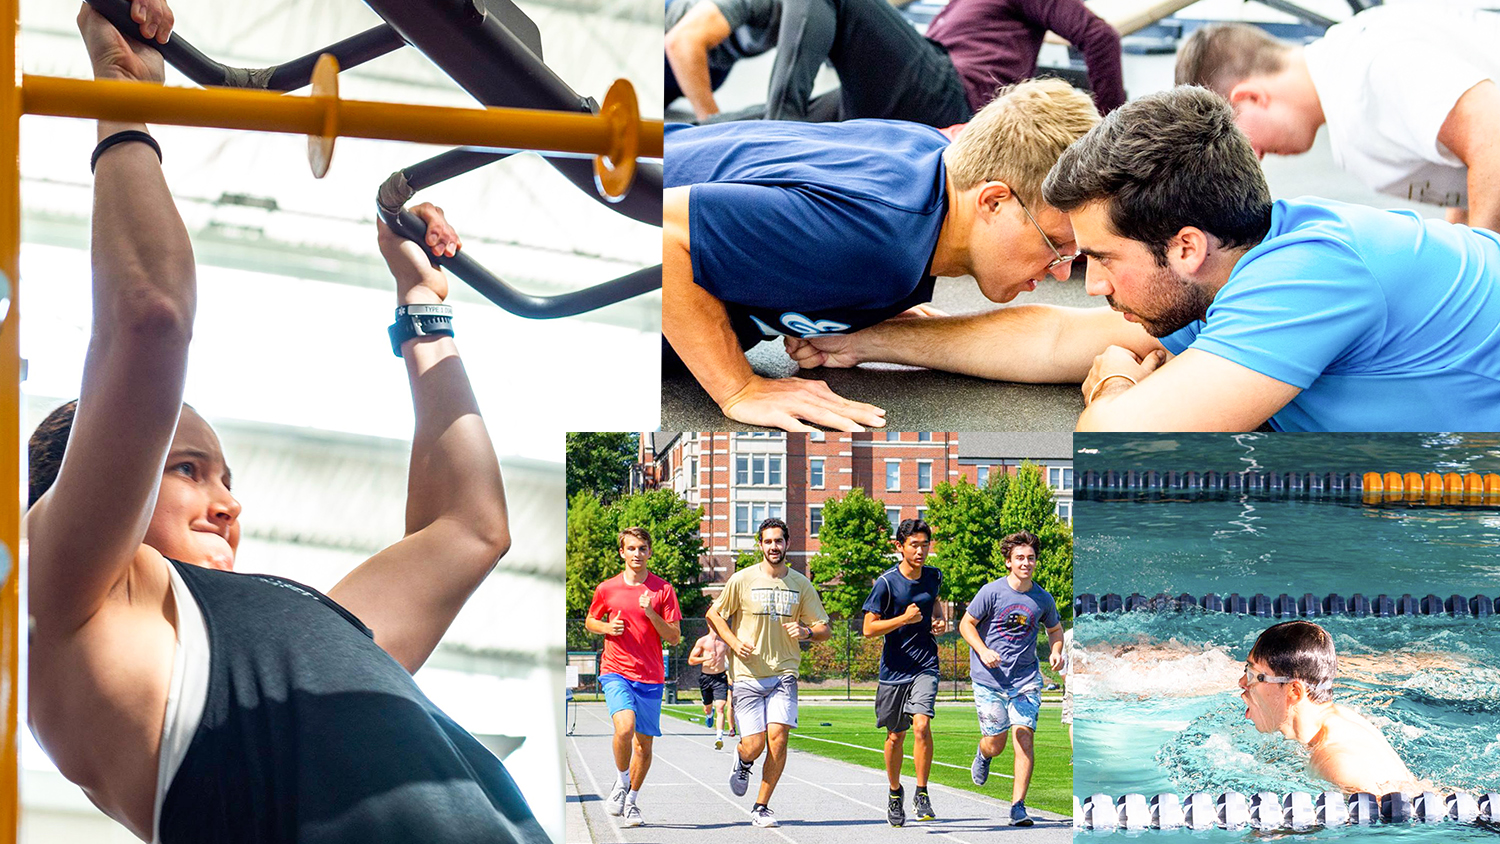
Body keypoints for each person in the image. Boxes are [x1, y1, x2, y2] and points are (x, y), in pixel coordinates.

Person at [26, 6, 546, 843]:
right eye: (187, 468)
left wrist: (419, 309)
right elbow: (149, 320)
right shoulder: (79, 609)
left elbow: (471, 528)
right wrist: (122, 95)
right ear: (85, 485)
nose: (228, 500)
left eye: (224, 475)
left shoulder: (305, 629)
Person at [786, 85, 1500, 432]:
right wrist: (874, 340)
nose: (1089, 285)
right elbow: (1053, 337)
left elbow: (1120, 440)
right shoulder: (1226, 266)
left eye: (1102, 257)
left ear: (1185, 246)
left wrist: (1120, 382)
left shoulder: (1308, 277)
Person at [663, 78, 1100, 432]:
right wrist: (738, 388)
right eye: (1055, 243)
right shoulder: (882, 240)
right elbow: (666, 234)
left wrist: (855, 306)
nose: (1064, 273)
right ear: (993, 201)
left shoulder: (931, 159)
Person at [1174, 4, 1500, 230]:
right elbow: (1471, 157)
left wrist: (1479, 272)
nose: (1255, 158)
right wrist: (1458, 253)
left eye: (1241, 142)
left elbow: (1492, 134)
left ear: (1249, 97)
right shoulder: (1349, 62)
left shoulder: (1368, 71)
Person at [664, 0, 1122, 125]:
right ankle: (679, 147)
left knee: (778, 122)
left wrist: (1106, 134)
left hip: (954, 97)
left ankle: (780, 132)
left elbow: (1099, 37)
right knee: (745, 123)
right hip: (914, 100)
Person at [706, 518, 832, 828]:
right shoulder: (742, 579)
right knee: (755, 744)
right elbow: (713, 614)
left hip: (784, 674)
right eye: (768, 541)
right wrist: (733, 642)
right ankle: (743, 757)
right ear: (760, 545)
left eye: (779, 541)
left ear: (787, 544)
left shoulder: (801, 584)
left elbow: (824, 629)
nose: (773, 546)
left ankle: (761, 806)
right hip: (748, 675)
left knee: (778, 739)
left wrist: (806, 632)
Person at [1240, 621, 1422, 795]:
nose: (1242, 683)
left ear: (1294, 691)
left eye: (1253, 675)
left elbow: (1385, 818)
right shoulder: (1341, 716)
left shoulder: (1336, 764)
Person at [958, 530, 1063, 826]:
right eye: (1019, 558)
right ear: (1008, 561)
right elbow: (967, 624)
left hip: (1026, 680)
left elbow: (1054, 630)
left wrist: (1055, 651)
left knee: (1024, 736)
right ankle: (983, 753)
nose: (1026, 563)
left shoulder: (1042, 598)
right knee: (997, 743)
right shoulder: (991, 592)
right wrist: (982, 650)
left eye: (1030, 558)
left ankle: (1018, 806)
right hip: (989, 680)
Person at [584, 527, 684, 827]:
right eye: (631, 548)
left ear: (649, 552)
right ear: (622, 553)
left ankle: (632, 801)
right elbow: (591, 620)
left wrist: (653, 614)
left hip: (651, 676)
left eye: (642, 548)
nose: (637, 553)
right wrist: (606, 629)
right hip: (616, 671)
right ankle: (620, 781)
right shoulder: (607, 588)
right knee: (624, 727)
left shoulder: (663, 590)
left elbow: (675, 637)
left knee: (644, 746)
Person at [860, 519, 947, 827]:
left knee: (922, 725)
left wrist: (939, 619)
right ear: (900, 547)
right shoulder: (885, 583)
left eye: (925, 545)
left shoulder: (934, 576)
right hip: (894, 669)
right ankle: (895, 792)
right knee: (896, 736)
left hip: (925, 664)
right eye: (915, 545)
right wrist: (903, 619)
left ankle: (922, 792)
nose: (921, 551)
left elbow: (934, 604)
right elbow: (869, 628)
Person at [688, 628, 735, 749]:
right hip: (706, 678)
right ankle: (709, 715)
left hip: (720, 678)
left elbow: (732, 659)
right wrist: (705, 658)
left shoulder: (725, 642)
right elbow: (691, 660)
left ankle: (719, 737)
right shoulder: (702, 641)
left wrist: (731, 675)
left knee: (720, 708)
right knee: (708, 708)